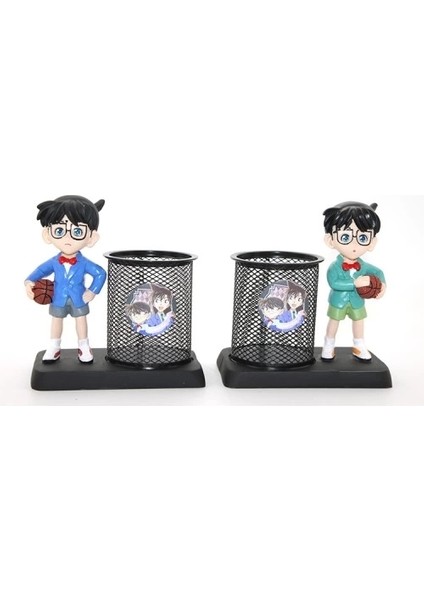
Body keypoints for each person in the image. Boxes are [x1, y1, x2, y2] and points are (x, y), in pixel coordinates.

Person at [25, 195, 106, 363]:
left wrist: (92, 291)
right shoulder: (54, 262)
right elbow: (38, 272)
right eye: (59, 230)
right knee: (56, 321)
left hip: (79, 297)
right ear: (47, 234)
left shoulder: (84, 263)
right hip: (58, 297)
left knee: (81, 320)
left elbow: (100, 273)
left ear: (91, 238)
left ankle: (84, 346)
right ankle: (54, 346)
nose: (67, 239)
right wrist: (28, 283)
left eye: (77, 231)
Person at [321, 201, 386, 361]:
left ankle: (359, 345)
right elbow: (334, 283)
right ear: (330, 240)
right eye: (345, 237)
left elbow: (378, 272)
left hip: (357, 301)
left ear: (372, 243)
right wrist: (354, 283)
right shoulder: (334, 267)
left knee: (359, 321)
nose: (354, 244)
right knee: (334, 321)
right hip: (338, 301)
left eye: (363, 237)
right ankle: (329, 344)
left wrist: (382, 285)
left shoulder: (364, 266)